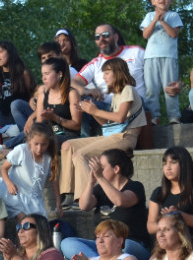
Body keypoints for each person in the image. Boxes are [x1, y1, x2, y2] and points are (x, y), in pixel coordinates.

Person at [60, 58, 146, 202]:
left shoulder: (128, 89)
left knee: (80, 154)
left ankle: (85, 198)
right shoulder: (117, 95)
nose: (104, 77)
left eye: (107, 73)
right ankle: (68, 194)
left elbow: (120, 118)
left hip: (125, 137)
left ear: (118, 73)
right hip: (113, 136)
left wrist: (95, 111)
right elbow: (107, 124)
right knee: (67, 145)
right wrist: (91, 111)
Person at [72, 24, 146, 118]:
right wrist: (85, 90)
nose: (101, 39)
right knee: (81, 103)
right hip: (106, 108)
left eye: (105, 35)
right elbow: (73, 82)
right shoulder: (95, 63)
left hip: (134, 105)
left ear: (116, 37)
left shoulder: (136, 52)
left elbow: (155, 74)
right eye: (97, 37)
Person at [147, 146, 193, 249]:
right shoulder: (158, 193)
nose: (168, 167)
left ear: (184, 165)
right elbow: (150, 226)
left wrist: (179, 215)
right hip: (166, 246)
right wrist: (168, 222)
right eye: (165, 164)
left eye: (173, 163)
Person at [140, 0, 184, 124]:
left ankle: (173, 116)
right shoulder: (149, 16)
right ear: (153, 1)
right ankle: (154, 117)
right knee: (151, 89)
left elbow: (174, 34)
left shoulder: (173, 15)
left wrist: (162, 21)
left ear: (171, 0)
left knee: (170, 87)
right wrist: (155, 20)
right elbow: (145, 35)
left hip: (169, 57)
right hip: (150, 57)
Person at [0, 123, 59, 220]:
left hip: (34, 201)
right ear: (29, 140)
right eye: (36, 144)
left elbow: (54, 179)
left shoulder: (48, 158)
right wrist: (9, 183)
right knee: (25, 220)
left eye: (43, 144)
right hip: (14, 196)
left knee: (41, 223)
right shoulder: (21, 151)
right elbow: (3, 168)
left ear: (49, 143)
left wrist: (58, 202)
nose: (39, 148)